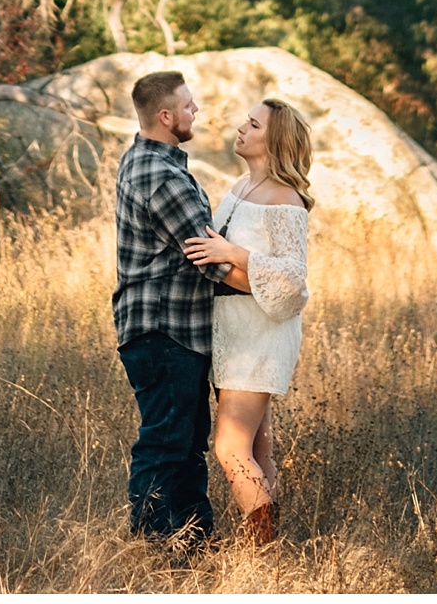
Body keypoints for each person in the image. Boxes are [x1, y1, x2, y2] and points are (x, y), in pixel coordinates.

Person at [111, 70, 248, 558]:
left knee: (185, 445)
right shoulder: (162, 176)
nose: (197, 112)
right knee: (167, 445)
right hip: (165, 330)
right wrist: (269, 285)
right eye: (189, 106)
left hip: (169, 332)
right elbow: (209, 258)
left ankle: (194, 548)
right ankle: (149, 553)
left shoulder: (145, 162)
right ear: (166, 116)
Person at [182, 97, 313, 545]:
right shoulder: (240, 186)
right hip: (231, 329)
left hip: (261, 334)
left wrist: (235, 253)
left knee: (229, 448)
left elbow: (294, 279)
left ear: (273, 140)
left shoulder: (286, 199)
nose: (241, 127)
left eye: (253, 124)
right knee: (258, 445)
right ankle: (272, 549)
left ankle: (262, 553)